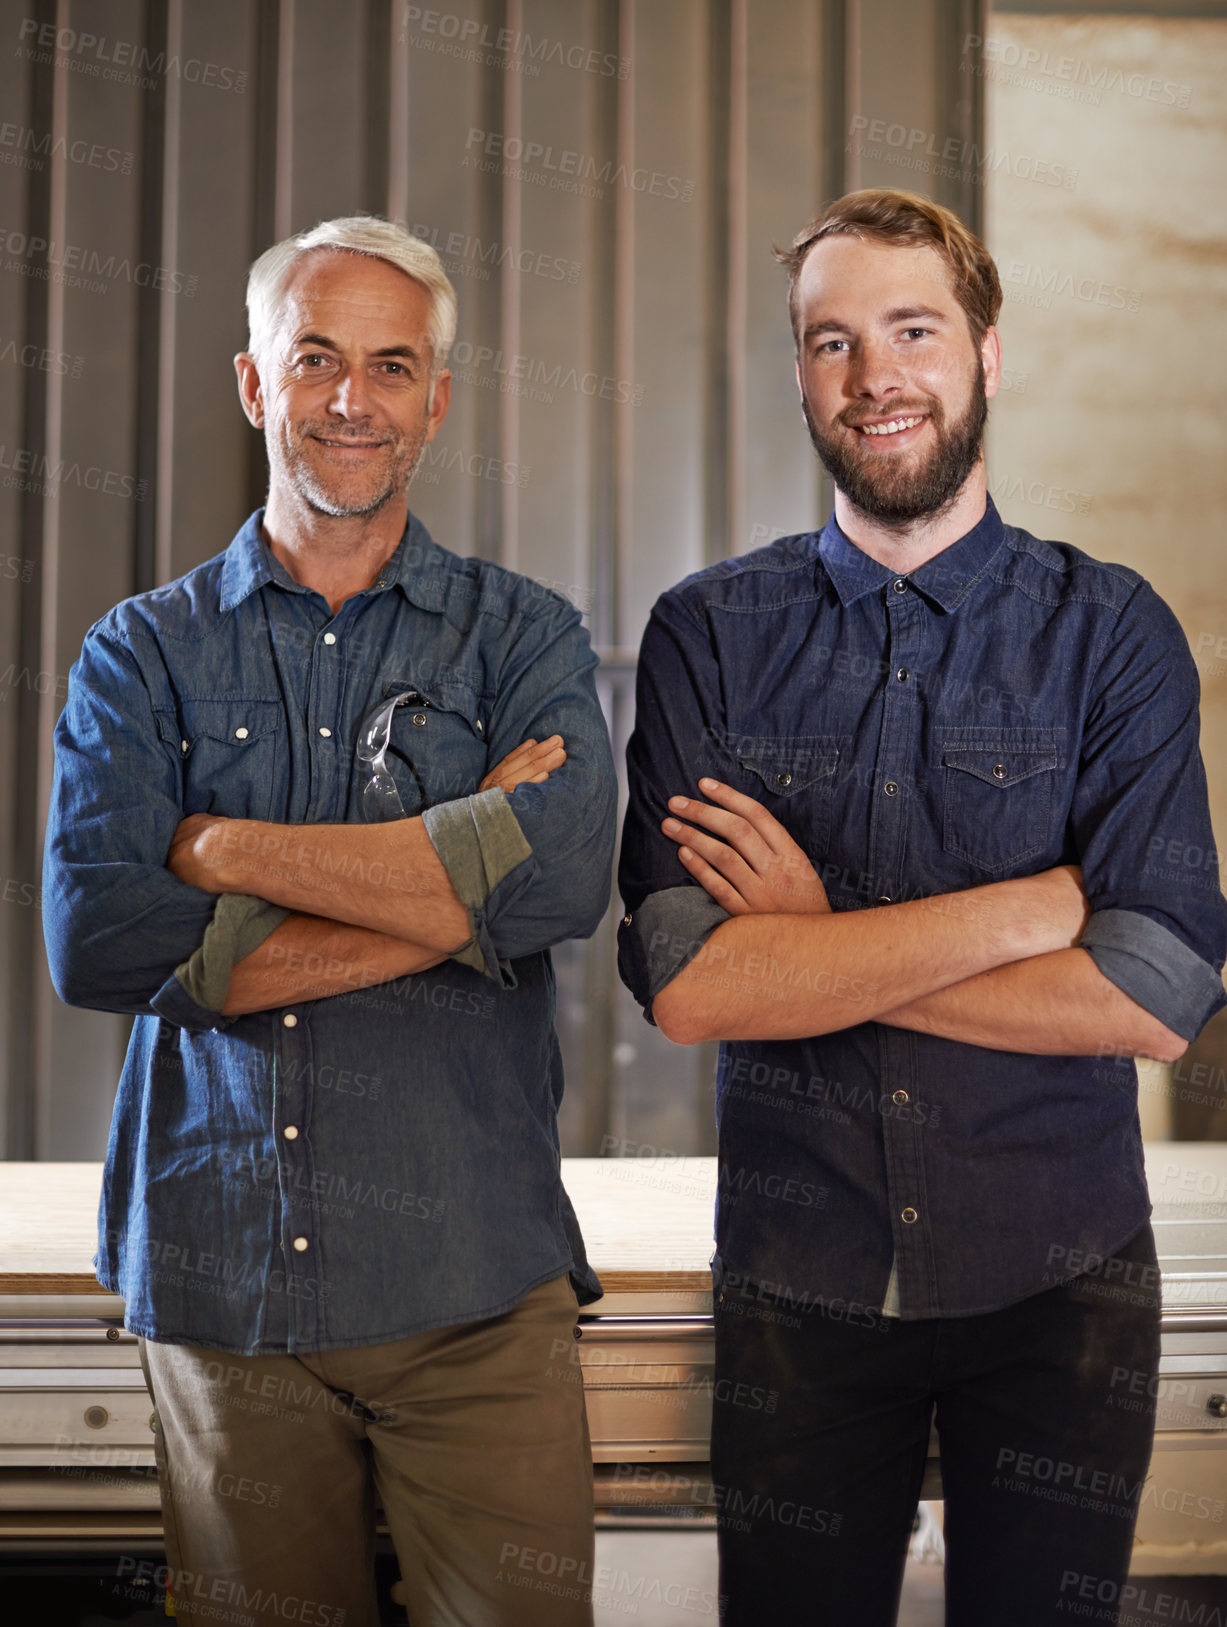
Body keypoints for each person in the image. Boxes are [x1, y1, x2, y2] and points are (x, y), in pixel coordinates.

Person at [617, 189, 1226, 1626]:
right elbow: (695, 988)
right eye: (834, 342)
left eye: (912, 331)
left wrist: (812, 941)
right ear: (802, 373)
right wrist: (1033, 911)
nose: (875, 375)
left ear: (987, 355)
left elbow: (1152, 995)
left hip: (1060, 1286)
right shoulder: (708, 633)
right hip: (802, 1286)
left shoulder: (1111, 632)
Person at [43, 215, 616, 1627]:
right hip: (220, 1287)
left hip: (477, 1288)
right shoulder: (143, 651)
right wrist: (452, 883)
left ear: (433, 398)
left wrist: (223, 850)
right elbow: (102, 942)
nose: (351, 399)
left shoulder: (522, 635)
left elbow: (561, 887)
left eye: (391, 364)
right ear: (255, 384)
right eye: (316, 359)